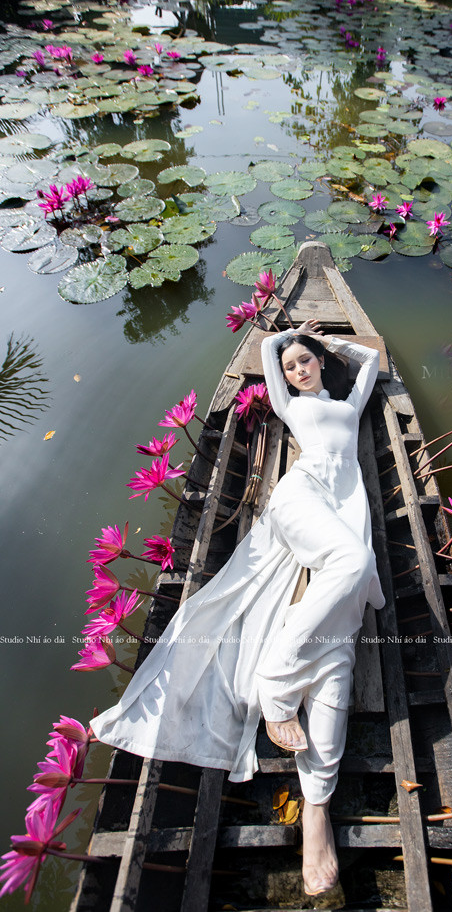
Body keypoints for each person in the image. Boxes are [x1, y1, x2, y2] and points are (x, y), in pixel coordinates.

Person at [90, 319, 385, 897]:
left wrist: (326, 340)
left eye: (307, 361)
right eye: (293, 365)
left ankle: (318, 809)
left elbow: (372, 362)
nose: (299, 370)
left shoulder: (349, 401)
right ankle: (274, 679)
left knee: (340, 649)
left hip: (347, 507)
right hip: (301, 499)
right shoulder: (289, 402)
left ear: (322, 363)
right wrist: (282, 340)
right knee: (351, 563)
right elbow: (269, 352)